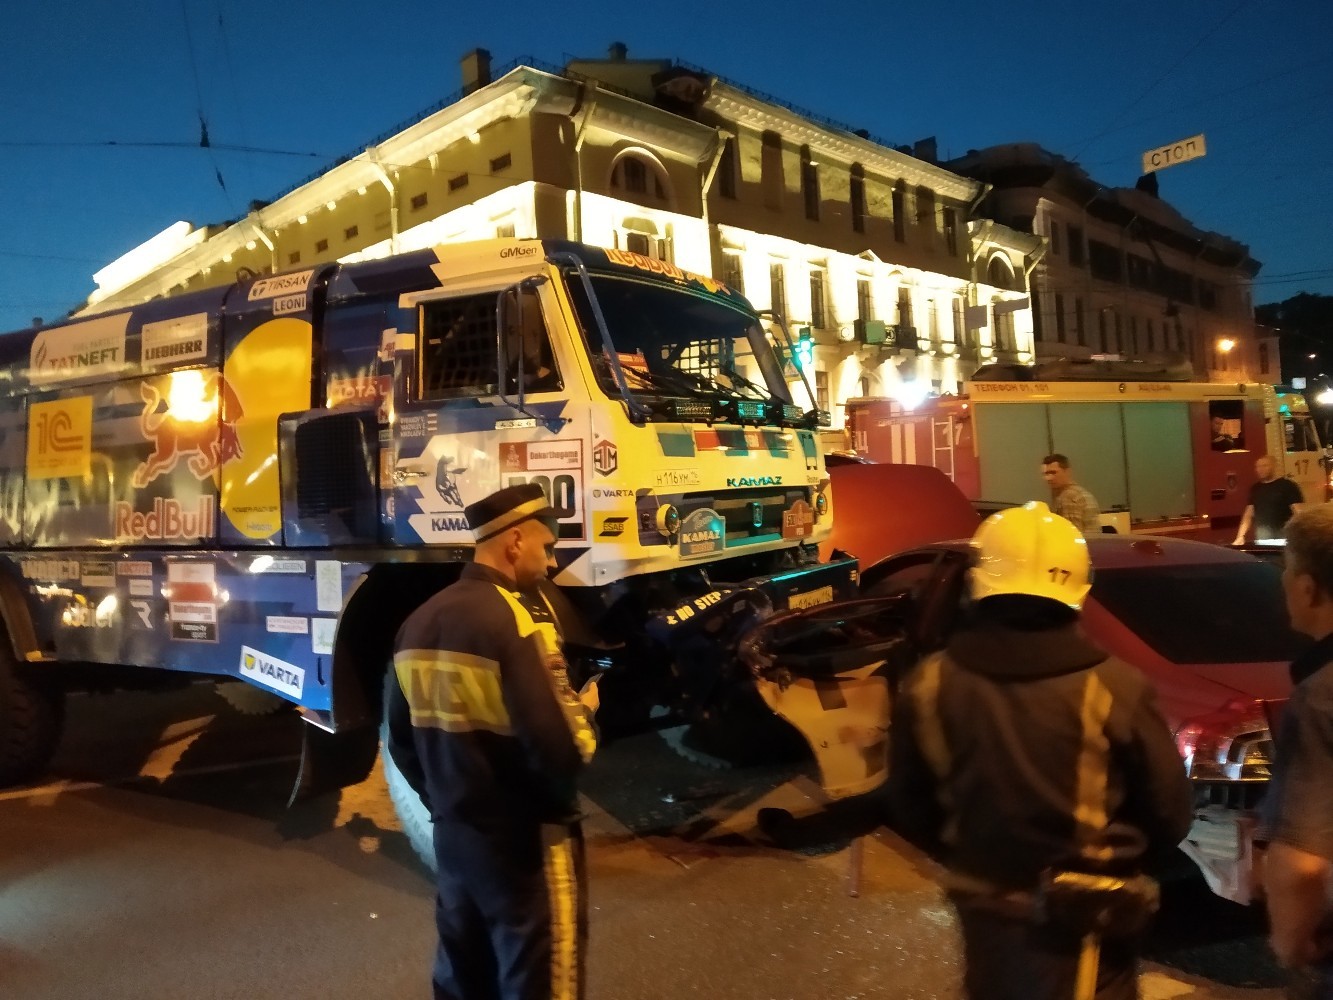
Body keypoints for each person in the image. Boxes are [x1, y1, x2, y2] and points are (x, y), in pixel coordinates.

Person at [889, 501, 1192, 1000]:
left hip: (983, 907)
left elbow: (910, 805)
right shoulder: (1113, 686)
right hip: (1089, 925)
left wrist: (983, 858)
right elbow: (1169, 814)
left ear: (977, 583)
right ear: (1077, 588)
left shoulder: (929, 684)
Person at [385, 482, 598, 1000]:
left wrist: (446, 804)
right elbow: (562, 749)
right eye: (548, 548)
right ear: (515, 541)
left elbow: (401, 741)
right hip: (526, 847)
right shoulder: (519, 622)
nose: (550, 563)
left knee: (463, 977)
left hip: (457, 843)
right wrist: (587, 714)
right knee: (538, 981)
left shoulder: (417, 624)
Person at [1261, 504, 1333, 993]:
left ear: (1307, 587)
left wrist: (1292, 939)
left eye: (1286, 569)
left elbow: (1303, 861)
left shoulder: (1321, 698)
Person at [1234, 456, 1304, 546]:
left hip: (1283, 539)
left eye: (1264, 466)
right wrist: (1240, 536)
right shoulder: (1256, 488)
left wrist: (1301, 535)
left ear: (1274, 467)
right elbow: (1248, 514)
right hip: (1262, 539)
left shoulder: (1288, 486)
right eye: (1257, 467)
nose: (1260, 469)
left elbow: (1298, 512)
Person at [1041, 453, 1102, 537]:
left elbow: (1071, 536)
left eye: (1053, 473)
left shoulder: (1069, 497)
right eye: (1046, 474)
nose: (1049, 478)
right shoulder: (1079, 493)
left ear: (1067, 471)